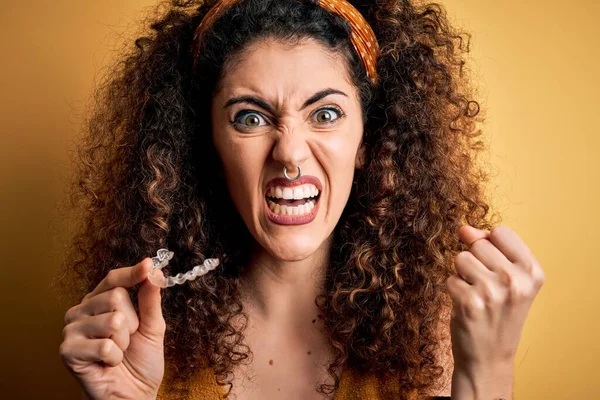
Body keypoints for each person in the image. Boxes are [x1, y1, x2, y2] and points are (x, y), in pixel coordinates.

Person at [57, 0, 545, 399]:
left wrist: (488, 376)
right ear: (207, 144)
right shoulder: (145, 339)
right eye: (250, 118)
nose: (289, 152)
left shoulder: (442, 339)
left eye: (326, 113)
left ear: (369, 141)